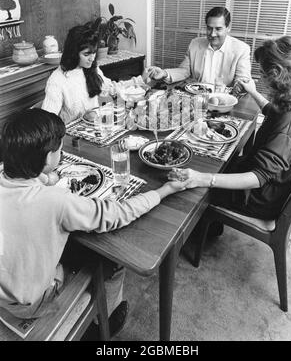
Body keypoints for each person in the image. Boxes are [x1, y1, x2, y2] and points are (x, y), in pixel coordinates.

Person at [0, 108, 185, 336]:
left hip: (5, 292)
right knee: (111, 260)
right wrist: (165, 190)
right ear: (49, 158)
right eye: (59, 149)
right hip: (30, 303)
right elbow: (118, 214)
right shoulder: (56, 202)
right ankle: (103, 323)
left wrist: (45, 178)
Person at [169, 35, 291, 222]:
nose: (261, 78)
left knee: (188, 186)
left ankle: (196, 229)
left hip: (256, 197)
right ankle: (210, 227)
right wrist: (252, 91)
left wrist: (203, 179)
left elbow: (258, 177)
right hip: (262, 184)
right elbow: (272, 111)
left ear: (276, 72)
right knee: (211, 162)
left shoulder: (288, 124)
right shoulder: (289, 100)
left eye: (263, 73)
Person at [42, 23, 148, 124]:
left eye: (94, 52)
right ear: (73, 53)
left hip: (95, 126)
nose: (92, 58)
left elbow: (112, 89)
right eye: (87, 54)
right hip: (71, 137)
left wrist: (140, 80)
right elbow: (46, 121)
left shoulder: (90, 68)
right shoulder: (57, 80)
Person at [147, 6, 251, 87]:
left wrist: (240, 85)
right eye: (209, 28)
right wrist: (164, 73)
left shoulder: (241, 49)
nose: (212, 34)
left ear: (228, 28)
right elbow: (184, 71)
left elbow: (242, 80)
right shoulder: (195, 44)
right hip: (197, 98)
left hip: (224, 102)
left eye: (218, 29)